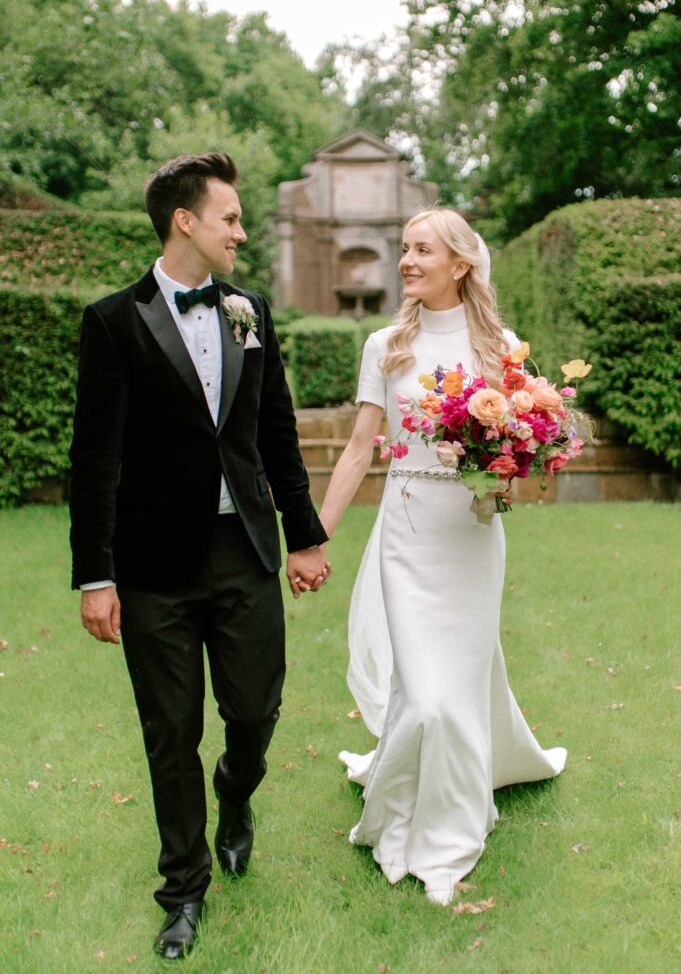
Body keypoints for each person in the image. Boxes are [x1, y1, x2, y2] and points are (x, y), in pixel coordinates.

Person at [69, 153, 330, 959]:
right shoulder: (113, 321)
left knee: (253, 713)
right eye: (230, 219)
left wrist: (304, 533)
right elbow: (95, 458)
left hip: (243, 551)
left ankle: (236, 793)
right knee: (168, 733)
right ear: (186, 220)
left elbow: (273, 432)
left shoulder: (250, 311)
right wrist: (95, 573)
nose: (240, 233)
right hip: (152, 568)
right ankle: (182, 891)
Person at [318, 207, 566, 906]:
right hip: (405, 531)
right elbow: (360, 447)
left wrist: (508, 466)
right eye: (403, 250)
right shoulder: (384, 344)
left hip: (470, 533)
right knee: (424, 693)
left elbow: (526, 455)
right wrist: (315, 534)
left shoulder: (502, 349)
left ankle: (450, 834)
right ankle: (410, 816)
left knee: (449, 689)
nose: (405, 261)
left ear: (460, 264)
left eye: (420, 250)